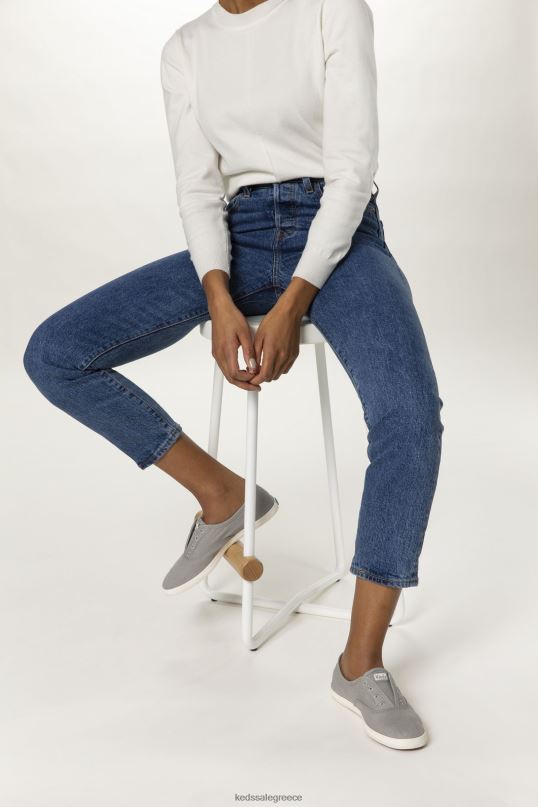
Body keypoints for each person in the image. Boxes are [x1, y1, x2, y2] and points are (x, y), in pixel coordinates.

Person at [23, 0, 444, 750]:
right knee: (55, 351)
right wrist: (218, 297)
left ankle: (360, 662)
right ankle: (221, 494)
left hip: (341, 236)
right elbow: (197, 189)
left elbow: (353, 170)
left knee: (410, 416)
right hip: (236, 236)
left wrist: (293, 301)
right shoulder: (186, 48)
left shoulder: (331, 10)